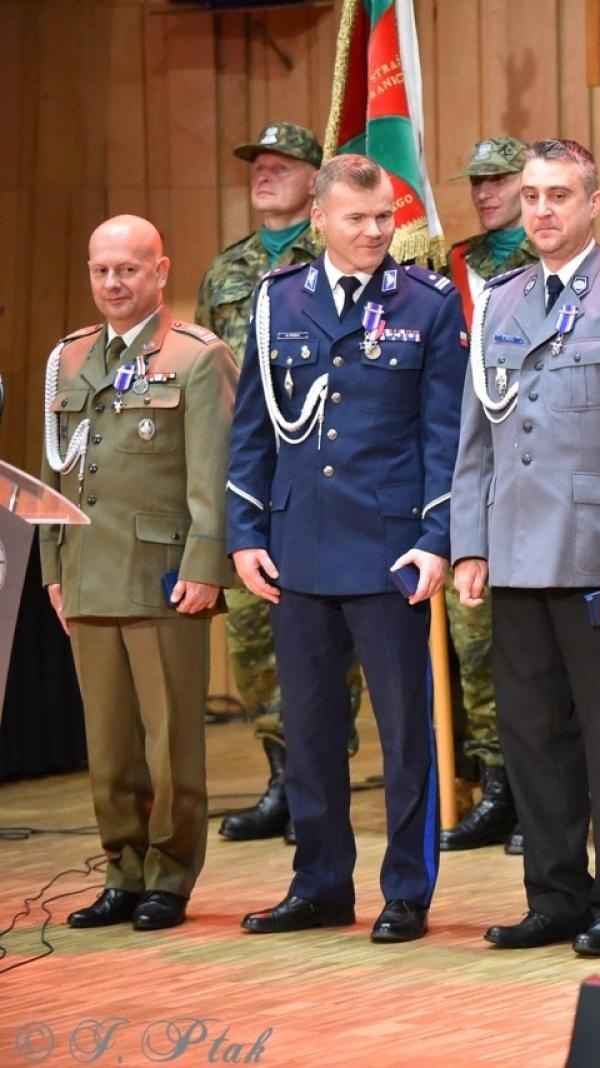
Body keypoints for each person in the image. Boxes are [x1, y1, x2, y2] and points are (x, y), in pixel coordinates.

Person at [228, 154, 466, 944]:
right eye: (357, 219)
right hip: (296, 548)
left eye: (384, 219)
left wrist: (438, 538)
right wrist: (244, 533)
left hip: (391, 547)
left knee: (405, 736)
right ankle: (321, 883)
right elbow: (253, 431)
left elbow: (445, 435)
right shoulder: (276, 302)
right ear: (321, 219)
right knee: (310, 731)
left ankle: (406, 890)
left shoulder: (426, 303)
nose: (373, 232)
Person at [452, 138, 600, 957]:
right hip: (513, 550)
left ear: (593, 203)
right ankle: (553, 893)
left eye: (558, 196)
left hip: (595, 554)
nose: (542, 211)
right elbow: (477, 433)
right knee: (531, 735)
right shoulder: (502, 299)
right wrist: (469, 542)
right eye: (532, 197)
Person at [41, 215, 238, 932]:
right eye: (101, 270)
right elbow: (55, 470)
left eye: (128, 268)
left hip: (163, 574)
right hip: (89, 572)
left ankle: (170, 875)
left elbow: (214, 476)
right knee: (110, 744)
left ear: (160, 271)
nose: (113, 283)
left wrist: (207, 565)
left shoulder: (195, 356)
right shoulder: (67, 359)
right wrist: (52, 567)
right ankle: (122, 870)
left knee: (170, 741)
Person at [196, 121, 364, 847]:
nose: (264, 174)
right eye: (256, 165)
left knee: (331, 637)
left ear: (316, 182)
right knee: (254, 632)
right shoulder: (226, 271)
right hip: (250, 470)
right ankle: (281, 779)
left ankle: (321, 781)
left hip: (326, 469)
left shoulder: (335, 259)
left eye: (280, 165)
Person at [439, 136, 540, 854]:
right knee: (476, 645)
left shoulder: (551, 263)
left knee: (539, 655)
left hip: (535, 472)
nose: (485, 192)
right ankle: (497, 788)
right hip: (471, 469)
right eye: (476, 181)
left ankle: (545, 796)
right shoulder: (452, 264)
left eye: (499, 179)